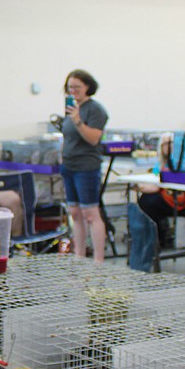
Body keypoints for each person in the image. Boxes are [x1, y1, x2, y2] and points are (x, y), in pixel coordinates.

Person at [60, 69, 109, 263]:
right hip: (69, 165)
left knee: (90, 212)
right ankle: (79, 254)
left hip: (86, 166)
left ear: (87, 87)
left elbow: (93, 138)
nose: (73, 91)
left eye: (77, 87)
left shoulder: (95, 109)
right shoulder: (71, 109)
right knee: (74, 212)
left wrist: (78, 121)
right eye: (70, 87)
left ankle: (98, 259)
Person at [136, 133, 185, 249]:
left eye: (171, 144)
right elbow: (157, 186)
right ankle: (160, 237)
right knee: (145, 201)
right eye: (165, 144)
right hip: (167, 200)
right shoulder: (159, 166)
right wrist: (140, 188)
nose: (168, 147)